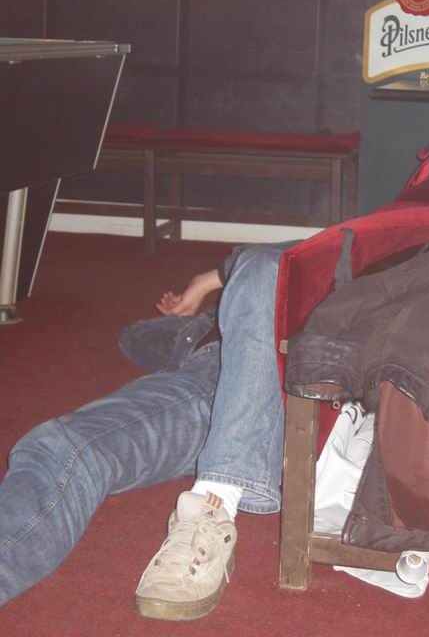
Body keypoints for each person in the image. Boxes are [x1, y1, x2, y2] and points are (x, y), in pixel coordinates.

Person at [0, 241, 294, 620]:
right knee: (129, 344)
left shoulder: (313, 261)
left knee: (62, 449)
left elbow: (280, 260)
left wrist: (209, 280)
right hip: (206, 361)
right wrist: (210, 300)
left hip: (234, 380)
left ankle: (213, 504)